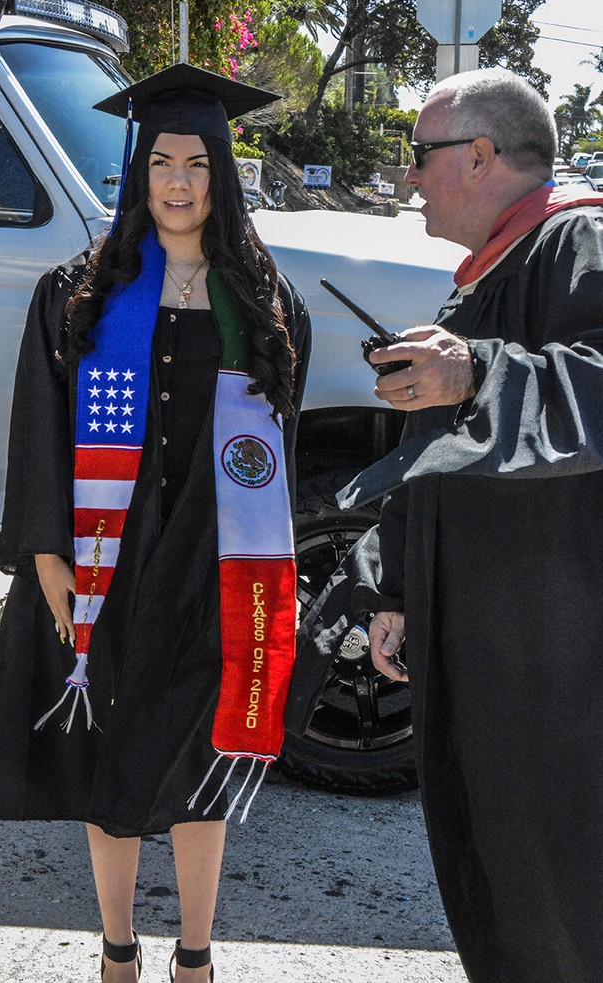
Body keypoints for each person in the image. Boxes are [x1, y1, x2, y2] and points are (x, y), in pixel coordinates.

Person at [0, 63, 310, 983]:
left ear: (222, 176)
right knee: (108, 754)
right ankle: (117, 948)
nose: (176, 182)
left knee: (204, 755)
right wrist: (49, 556)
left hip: (213, 570)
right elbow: (39, 429)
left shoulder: (265, 303)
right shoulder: (81, 291)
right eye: (160, 161)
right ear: (138, 173)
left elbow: (276, 455)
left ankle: (196, 953)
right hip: (105, 561)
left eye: (197, 163)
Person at [330, 69, 602, 982]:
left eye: (420, 156)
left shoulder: (580, 240)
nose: (408, 179)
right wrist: (394, 587)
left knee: (565, 888)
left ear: (480, 155)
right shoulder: (491, 271)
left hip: (564, 665)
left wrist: (477, 373)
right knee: (500, 878)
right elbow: (441, 458)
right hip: (493, 649)